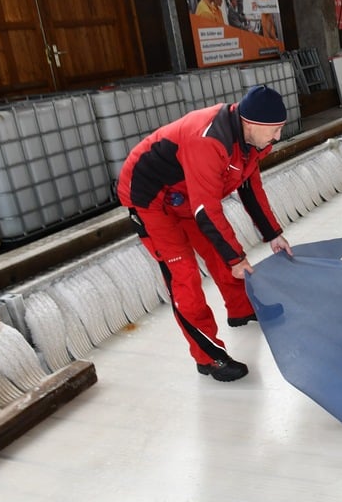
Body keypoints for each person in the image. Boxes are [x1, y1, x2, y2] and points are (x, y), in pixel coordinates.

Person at [116, 85, 293, 382]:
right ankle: (209, 357)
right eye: (273, 131)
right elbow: (207, 210)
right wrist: (236, 258)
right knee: (184, 275)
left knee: (219, 250)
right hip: (150, 200)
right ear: (250, 124)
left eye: (280, 129)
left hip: (183, 193)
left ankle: (240, 309)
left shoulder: (253, 141)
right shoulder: (209, 140)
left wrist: (273, 233)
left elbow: (250, 186)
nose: (277, 137)